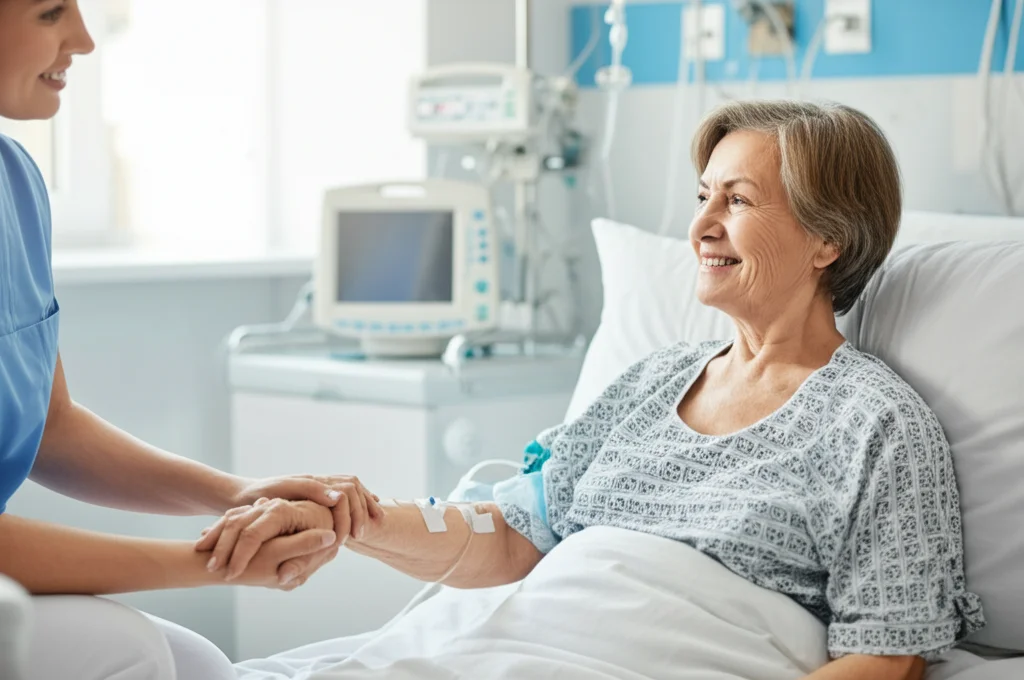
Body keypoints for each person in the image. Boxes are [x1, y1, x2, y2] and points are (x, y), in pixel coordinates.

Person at [212, 99, 986, 680]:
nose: (703, 226)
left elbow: (887, 658)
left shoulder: (875, 424)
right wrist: (358, 519)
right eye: (703, 197)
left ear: (829, 240)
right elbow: (514, 536)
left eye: (738, 201)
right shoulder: (653, 380)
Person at [0, 2, 380, 678]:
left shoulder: (16, 183)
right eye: (51, 12)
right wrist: (217, 562)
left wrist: (236, 493)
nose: (84, 40)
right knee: (126, 654)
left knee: (201, 665)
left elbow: (51, 430)